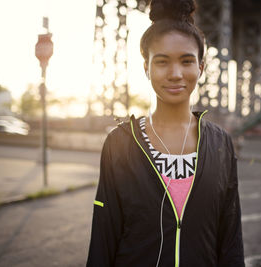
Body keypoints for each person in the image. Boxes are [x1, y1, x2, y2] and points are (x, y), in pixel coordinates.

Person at [86, 0, 244, 266]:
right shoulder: (119, 143)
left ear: (200, 68)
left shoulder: (221, 143)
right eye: (162, 62)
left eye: (186, 61)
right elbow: (104, 237)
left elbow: (230, 239)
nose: (175, 73)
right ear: (146, 68)